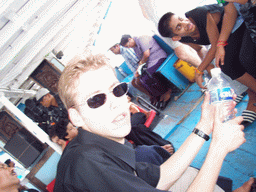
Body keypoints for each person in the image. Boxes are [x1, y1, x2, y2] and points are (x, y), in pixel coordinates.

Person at [54, 53, 253, 191]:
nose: (115, 104)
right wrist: (218, 147)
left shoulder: (99, 145)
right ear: (77, 117)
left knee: (187, 175)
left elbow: (160, 178)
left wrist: (205, 124)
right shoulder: (88, 165)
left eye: (116, 90)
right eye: (96, 100)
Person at [158, 4, 256, 126]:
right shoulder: (184, 38)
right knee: (221, 67)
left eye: (181, 19)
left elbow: (215, 45)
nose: (185, 23)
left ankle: (253, 95)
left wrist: (199, 70)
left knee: (227, 62)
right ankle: (250, 91)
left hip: (235, 27)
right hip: (225, 39)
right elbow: (199, 50)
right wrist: (207, 69)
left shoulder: (199, 14)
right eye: (179, 27)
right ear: (176, 37)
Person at [215, 0, 256, 126]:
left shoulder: (198, 15)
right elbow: (230, 11)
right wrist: (220, 44)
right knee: (226, 63)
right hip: (248, 21)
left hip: (247, 20)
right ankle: (253, 93)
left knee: (247, 58)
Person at [137, 0, 202, 68]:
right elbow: (146, 15)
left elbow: (146, 15)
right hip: (162, 24)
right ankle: (206, 67)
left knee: (183, 53)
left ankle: (206, 67)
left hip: (167, 21)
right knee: (188, 48)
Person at [120, 34, 172, 110]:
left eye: (127, 45)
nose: (129, 47)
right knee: (142, 79)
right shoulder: (135, 47)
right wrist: (138, 70)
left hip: (158, 57)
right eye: (127, 47)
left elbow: (146, 54)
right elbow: (141, 59)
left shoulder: (141, 38)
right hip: (150, 63)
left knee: (149, 75)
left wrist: (139, 66)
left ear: (130, 39)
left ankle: (167, 92)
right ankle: (160, 94)